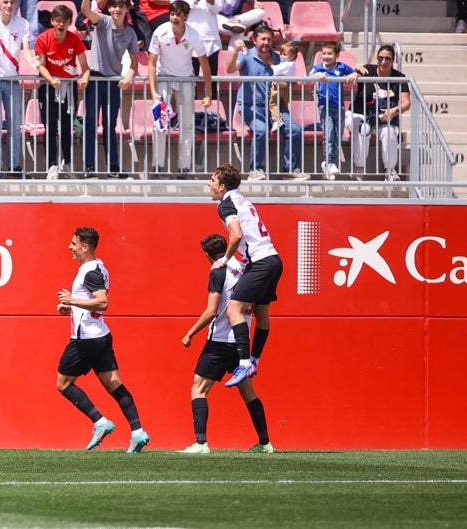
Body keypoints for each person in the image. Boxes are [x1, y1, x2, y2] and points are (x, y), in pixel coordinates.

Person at [56, 227, 150, 453]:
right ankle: (138, 432)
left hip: (86, 339)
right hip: (101, 336)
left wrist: (71, 300)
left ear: (85, 246)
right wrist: (71, 307)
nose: (70, 247)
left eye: (74, 244)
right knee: (113, 384)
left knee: (63, 384)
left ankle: (100, 422)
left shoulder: (90, 272)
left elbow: (102, 302)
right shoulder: (98, 267)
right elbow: (92, 302)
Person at [177, 234, 274, 454]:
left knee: (198, 389)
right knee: (249, 393)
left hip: (219, 342)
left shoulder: (218, 271)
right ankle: (265, 443)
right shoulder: (247, 270)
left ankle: (201, 444)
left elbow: (211, 311)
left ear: (207, 255)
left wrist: (190, 333)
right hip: (241, 342)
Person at [207, 163, 282, 388]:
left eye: (212, 180)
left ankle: (244, 362)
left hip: (260, 262)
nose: (209, 184)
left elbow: (236, 235)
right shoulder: (242, 199)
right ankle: (254, 360)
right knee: (262, 313)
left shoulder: (225, 204)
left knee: (233, 309)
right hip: (274, 259)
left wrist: (224, 260)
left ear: (222, 186)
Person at [226, 24, 309, 181]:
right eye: (263, 39)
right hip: (252, 106)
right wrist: (235, 51)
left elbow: (290, 83)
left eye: (269, 39)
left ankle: (290, 169)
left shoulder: (279, 58)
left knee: (295, 130)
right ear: (254, 40)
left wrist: (285, 84)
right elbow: (230, 69)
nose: (266, 42)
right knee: (261, 130)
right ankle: (255, 169)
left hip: (276, 107)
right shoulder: (246, 55)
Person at [147, 0, 211, 175]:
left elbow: (204, 63)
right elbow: (152, 63)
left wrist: (208, 94)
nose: (174, 18)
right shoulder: (160, 32)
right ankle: (157, 167)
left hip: (186, 80)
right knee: (159, 123)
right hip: (164, 79)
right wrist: (153, 91)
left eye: (178, 15)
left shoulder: (194, 35)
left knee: (187, 125)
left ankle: (184, 167)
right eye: (172, 14)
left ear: (186, 17)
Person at [80, 0, 138, 179]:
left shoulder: (130, 33)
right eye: (113, 6)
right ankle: (89, 167)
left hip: (113, 82)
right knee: (91, 124)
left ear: (127, 8)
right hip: (95, 79)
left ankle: (113, 167)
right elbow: (85, 10)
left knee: (110, 125)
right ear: (109, 8)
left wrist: (128, 77)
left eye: (121, 6)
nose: (117, 9)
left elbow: (134, 63)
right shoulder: (103, 21)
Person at [0, 0, 35, 179]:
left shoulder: (23, 24)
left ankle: (14, 166)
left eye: (12, 2)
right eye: (5, 2)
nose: (9, 5)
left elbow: (26, 51)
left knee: (15, 126)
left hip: (12, 80)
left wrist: (34, 62)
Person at [34, 5, 90, 180]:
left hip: (68, 88)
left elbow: (85, 67)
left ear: (69, 23)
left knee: (67, 127)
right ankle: (51, 165)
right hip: (48, 87)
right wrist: (51, 80)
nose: (61, 24)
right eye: (58, 21)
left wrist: (84, 78)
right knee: (50, 127)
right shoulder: (43, 38)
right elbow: (41, 66)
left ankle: (67, 162)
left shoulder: (74, 39)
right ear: (52, 21)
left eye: (65, 21)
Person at [348, 44, 411, 182]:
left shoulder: (399, 77)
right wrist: (355, 72)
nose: (383, 62)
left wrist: (394, 111)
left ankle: (390, 171)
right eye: (380, 58)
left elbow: (406, 103)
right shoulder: (368, 70)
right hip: (361, 114)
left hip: (383, 118)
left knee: (390, 133)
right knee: (363, 128)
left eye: (388, 59)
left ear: (393, 60)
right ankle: (359, 167)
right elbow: (355, 72)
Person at [310, 41, 358, 181]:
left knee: (337, 136)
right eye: (324, 53)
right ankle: (328, 161)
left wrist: (354, 75)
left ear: (337, 55)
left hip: (339, 107)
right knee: (329, 134)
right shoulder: (319, 68)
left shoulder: (341, 67)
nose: (326, 56)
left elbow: (354, 73)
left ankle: (330, 163)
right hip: (325, 107)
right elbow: (307, 78)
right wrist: (317, 76)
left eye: (329, 54)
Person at [268, 41, 298, 134]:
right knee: (284, 104)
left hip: (278, 88)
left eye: (284, 54)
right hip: (285, 89)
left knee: (273, 104)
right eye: (281, 54)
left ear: (293, 56)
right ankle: (284, 118)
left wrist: (270, 64)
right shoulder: (291, 65)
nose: (281, 56)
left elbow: (276, 70)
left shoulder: (287, 64)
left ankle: (277, 120)